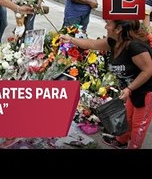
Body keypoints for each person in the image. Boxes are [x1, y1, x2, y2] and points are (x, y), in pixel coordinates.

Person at [60, 20, 152, 149]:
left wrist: (130, 88)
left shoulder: (135, 47)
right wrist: (70, 39)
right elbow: (92, 43)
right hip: (132, 89)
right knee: (127, 118)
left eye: (108, 24)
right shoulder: (114, 42)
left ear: (118, 29)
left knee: (139, 125)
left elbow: (148, 70)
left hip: (146, 90)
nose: (105, 27)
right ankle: (121, 141)